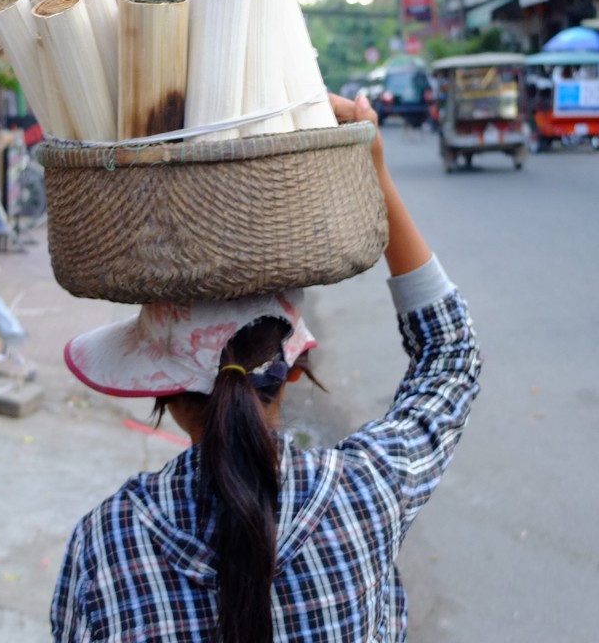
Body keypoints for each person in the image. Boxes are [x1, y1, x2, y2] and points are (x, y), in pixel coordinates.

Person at [50, 93, 482, 642]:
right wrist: (374, 172)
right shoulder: (366, 497)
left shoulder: (107, 548)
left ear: (161, 391)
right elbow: (451, 356)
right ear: (295, 367)